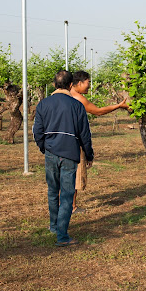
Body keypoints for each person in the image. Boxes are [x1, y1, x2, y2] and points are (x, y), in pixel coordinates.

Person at [33, 70, 94, 247]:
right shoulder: (76, 106)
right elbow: (84, 134)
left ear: (54, 85)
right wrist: (89, 154)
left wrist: (44, 147)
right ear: (70, 85)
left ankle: (54, 226)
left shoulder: (43, 104)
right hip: (69, 154)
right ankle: (62, 236)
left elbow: (37, 132)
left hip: (51, 153)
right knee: (67, 194)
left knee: (53, 191)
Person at [70, 70, 128, 213]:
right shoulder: (77, 98)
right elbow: (98, 111)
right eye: (88, 83)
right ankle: (71, 206)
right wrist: (118, 106)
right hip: (72, 142)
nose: (89, 86)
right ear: (79, 83)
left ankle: (66, 206)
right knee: (73, 175)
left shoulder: (60, 95)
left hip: (56, 142)